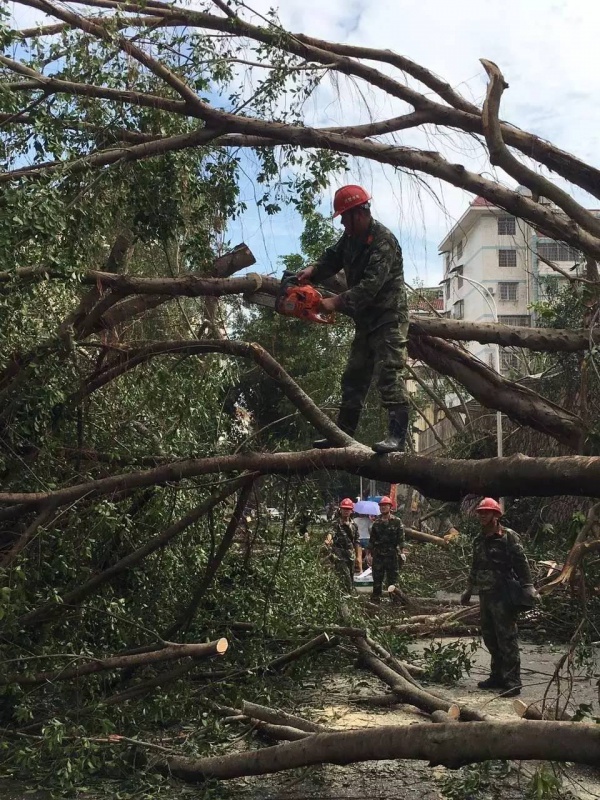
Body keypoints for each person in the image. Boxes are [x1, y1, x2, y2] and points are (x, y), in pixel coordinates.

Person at [296, 185, 409, 453]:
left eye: (346, 217)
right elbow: (332, 258)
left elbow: (371, 285)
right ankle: (341, 435)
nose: (344, 223)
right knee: (354, 375)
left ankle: (397, 438)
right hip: (366, 319)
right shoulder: (350, 239)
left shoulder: (383, 240)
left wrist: (334, 302)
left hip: (388, 317)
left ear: (360, 213)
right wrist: (312, 271)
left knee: (389, 372)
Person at [461, 497, 539, 697]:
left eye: (486, 512)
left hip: (503, 594)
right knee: (490, 637)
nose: (482, 515)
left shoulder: (508, 536)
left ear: (496, 515)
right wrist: (469, 589)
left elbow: (521, 562)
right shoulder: (478, 539)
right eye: (480, 512)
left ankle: (512, 681)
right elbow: (475, 566)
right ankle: (497, 676)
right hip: (486, 594)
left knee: (507, 638)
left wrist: (528, 586)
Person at [368, 496, 405, 602]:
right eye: (381, 506)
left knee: (393, 580)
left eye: (385, 506)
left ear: (390, 507)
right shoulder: (376, 522)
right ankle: (375, 602)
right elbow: (372, 540)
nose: (383, 507)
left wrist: (402, 553)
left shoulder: (397, 521)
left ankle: (395, 601)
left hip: (392, 555)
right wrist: (368, 554)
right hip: (378, 555)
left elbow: (401, 538)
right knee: (377, 580)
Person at [324, 497, 361, 593]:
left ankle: (349, 597)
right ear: (340, 510)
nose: (346, 511)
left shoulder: (354, 525)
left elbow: (357, 541)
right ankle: (347, 596)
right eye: (344, 509)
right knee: (345, 577)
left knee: (351, 577)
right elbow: (331, 533)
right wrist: (328, 540)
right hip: (339, 555)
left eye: (348, 509)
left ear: (351, 511)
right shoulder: (336, 524)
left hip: (350, 555)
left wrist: (358, 557)